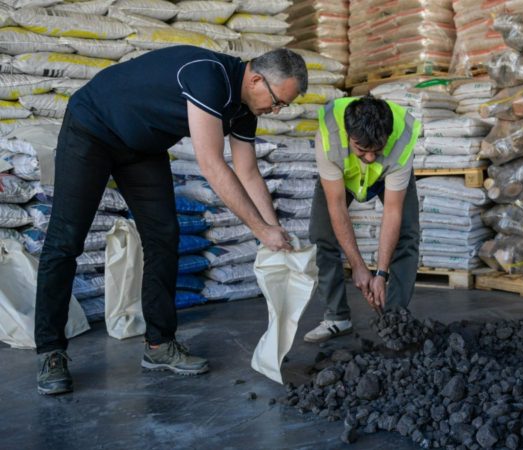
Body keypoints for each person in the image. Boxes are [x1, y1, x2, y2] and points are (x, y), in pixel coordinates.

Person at [35, 45, 308, 395]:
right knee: (66, 239)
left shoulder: (245, 109)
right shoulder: (208, 76)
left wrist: (272, 230)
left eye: (284, 106)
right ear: (256, 80)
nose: (276, 109)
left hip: (142, 148)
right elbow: (211, 164)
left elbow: (249, 172)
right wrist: (259, 230)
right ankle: (51, 351)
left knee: (164, 236)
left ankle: (159, 344)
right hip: (93, 128)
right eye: (278, 101)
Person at [303, 96, 421, 343]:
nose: (369, 158)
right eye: (361, 149)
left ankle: (394, 317)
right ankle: (337, 317)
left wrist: (381, 273)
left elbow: (393, 212)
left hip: (386, 177)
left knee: (407, 233)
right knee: (322, 235)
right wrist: (357, 266)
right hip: (342, 176)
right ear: (348, 135)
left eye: (376, 150)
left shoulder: (402, 138)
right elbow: (336, 206)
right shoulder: (328, 136)